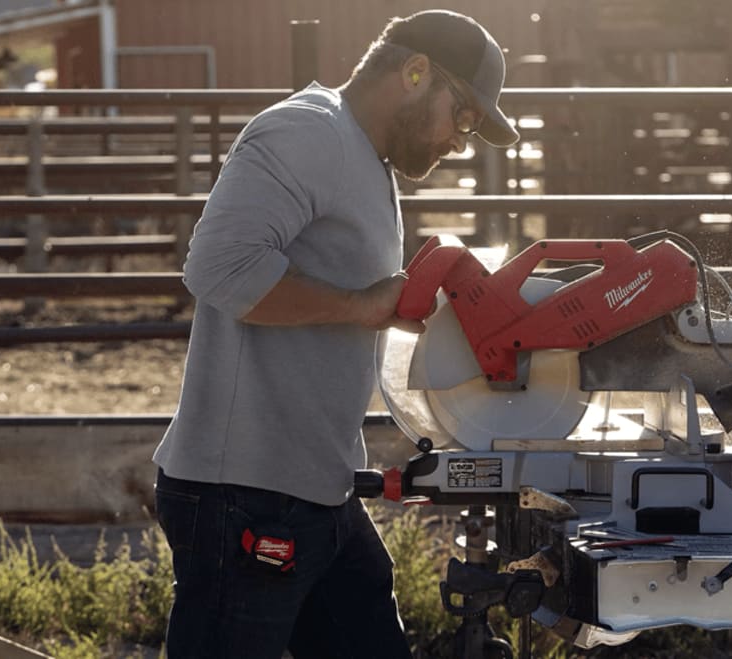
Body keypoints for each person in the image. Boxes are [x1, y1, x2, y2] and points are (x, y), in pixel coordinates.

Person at [150, 10, 518, 658]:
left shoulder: (364, 158)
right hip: (245, 494)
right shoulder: (307, 133)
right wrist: (358, 305)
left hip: (316, 487)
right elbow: (217, 268)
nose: (460, 141)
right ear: (414, 72)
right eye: (461, 115)